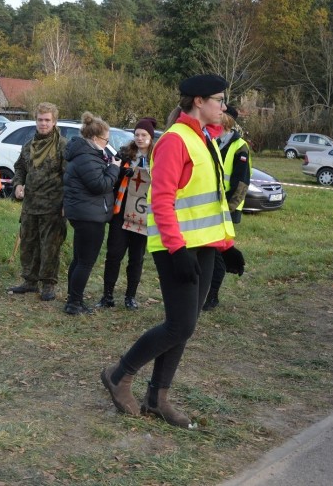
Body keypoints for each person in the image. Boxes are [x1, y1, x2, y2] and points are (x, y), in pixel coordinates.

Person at [100, 74, 245, 428]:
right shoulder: (176, 141)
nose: (222, 107)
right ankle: (120, 374)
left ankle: (157, 398)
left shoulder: (206, 140)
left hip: (204, 247)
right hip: (176, 248)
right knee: (179, 324)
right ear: (199, 101)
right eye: (218, 100)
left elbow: (211, 202)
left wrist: (227, 247)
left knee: (187, 326)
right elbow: (160, 200)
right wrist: (178, 250)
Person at [7, 102, 67, 302]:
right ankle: (30, 281)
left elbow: (69, 176)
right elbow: (20, 168)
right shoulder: (28, 145)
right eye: (40, 120)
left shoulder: (62, 145)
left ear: (54, 121)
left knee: (50, 246)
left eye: (47, 120)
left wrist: (66, 203)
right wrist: (17, 185)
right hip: (30, 205)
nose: (43, 124)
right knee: (29, 244)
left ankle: (48, 283)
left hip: (53, 206)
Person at [62, 112, 121, 315]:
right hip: (89, 215)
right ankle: (74, 303)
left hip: (84, 212)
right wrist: (114, 169)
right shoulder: (87, 156)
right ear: (95, 139)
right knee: (85, 262)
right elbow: (99, 184)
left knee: (79, 259)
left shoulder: (86, 154)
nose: (107, 143)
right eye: (106, 139)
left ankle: (73, 298)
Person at [99, 117, 157, 310]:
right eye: (137, 134)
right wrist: (121, 174)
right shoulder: (125, 154)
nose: (140, 138)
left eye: (144, 135)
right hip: (121, 211)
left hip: (143, 213)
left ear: (151, 137)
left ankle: (130, 296)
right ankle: (107, 295)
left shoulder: (157, 156)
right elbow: (111, 176)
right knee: (114, 254)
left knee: (136, 258)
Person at [204, 104, 251, 311]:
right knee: (213, 252)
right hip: (209, 206)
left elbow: (241, 183)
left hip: (226, 209)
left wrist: (228, 209)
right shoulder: (210, 141)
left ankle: (212, 297)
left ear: (226, 122)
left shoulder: (239, 146)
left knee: (217, 254)